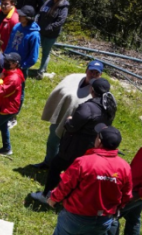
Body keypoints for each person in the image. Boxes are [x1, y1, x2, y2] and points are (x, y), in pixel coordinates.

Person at [34, 124, 132, 235]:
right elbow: (127, 195)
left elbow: (65, 185)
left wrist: (53, 199)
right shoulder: (124, 167)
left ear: (99, 141)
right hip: (103, 219)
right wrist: (115, 209)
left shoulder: (84, 162)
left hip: (75, 216)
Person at [30, 78, 116, 206]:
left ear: (92, 90)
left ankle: (46, 195)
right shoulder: (109, 105)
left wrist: (68, 120)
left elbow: (72, 127)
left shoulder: (88, 107)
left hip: (75, 145)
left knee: (56, 166)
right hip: (92, 145)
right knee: (78, 173)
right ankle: (69, 198)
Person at [29, 61, 104, 170]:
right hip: (62, 117)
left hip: (77, 126)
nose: (93, 75)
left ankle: (62, 170)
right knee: (52, 141)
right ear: (86, 70)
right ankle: (48, 162)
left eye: (96, 73)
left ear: (100, 75)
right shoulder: (74, 78)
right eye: (91, 71)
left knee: (67, 149)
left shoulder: (98, 89)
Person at [3, 5, 41, 108]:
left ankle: (15, 111)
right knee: (5, 86)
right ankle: (2, 109)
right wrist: (5, 56)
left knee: (18, 90)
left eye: (22, 15)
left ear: (28, 18)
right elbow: (10, 43)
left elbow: (33, 57)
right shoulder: (17, 26)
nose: (19, 16)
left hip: (20, 68)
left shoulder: (34, 35)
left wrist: (21, 66)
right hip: (8, 62)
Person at [35, 0, 70, 79]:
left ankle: (40, 72)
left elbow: (61, 21)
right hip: (40, 30)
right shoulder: (49, 1)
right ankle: (43, 68)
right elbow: (40, 12)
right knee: (38, 49)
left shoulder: (63, 6)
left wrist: (50, 28)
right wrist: (37, 21)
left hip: (51, 34)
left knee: (45, 52)